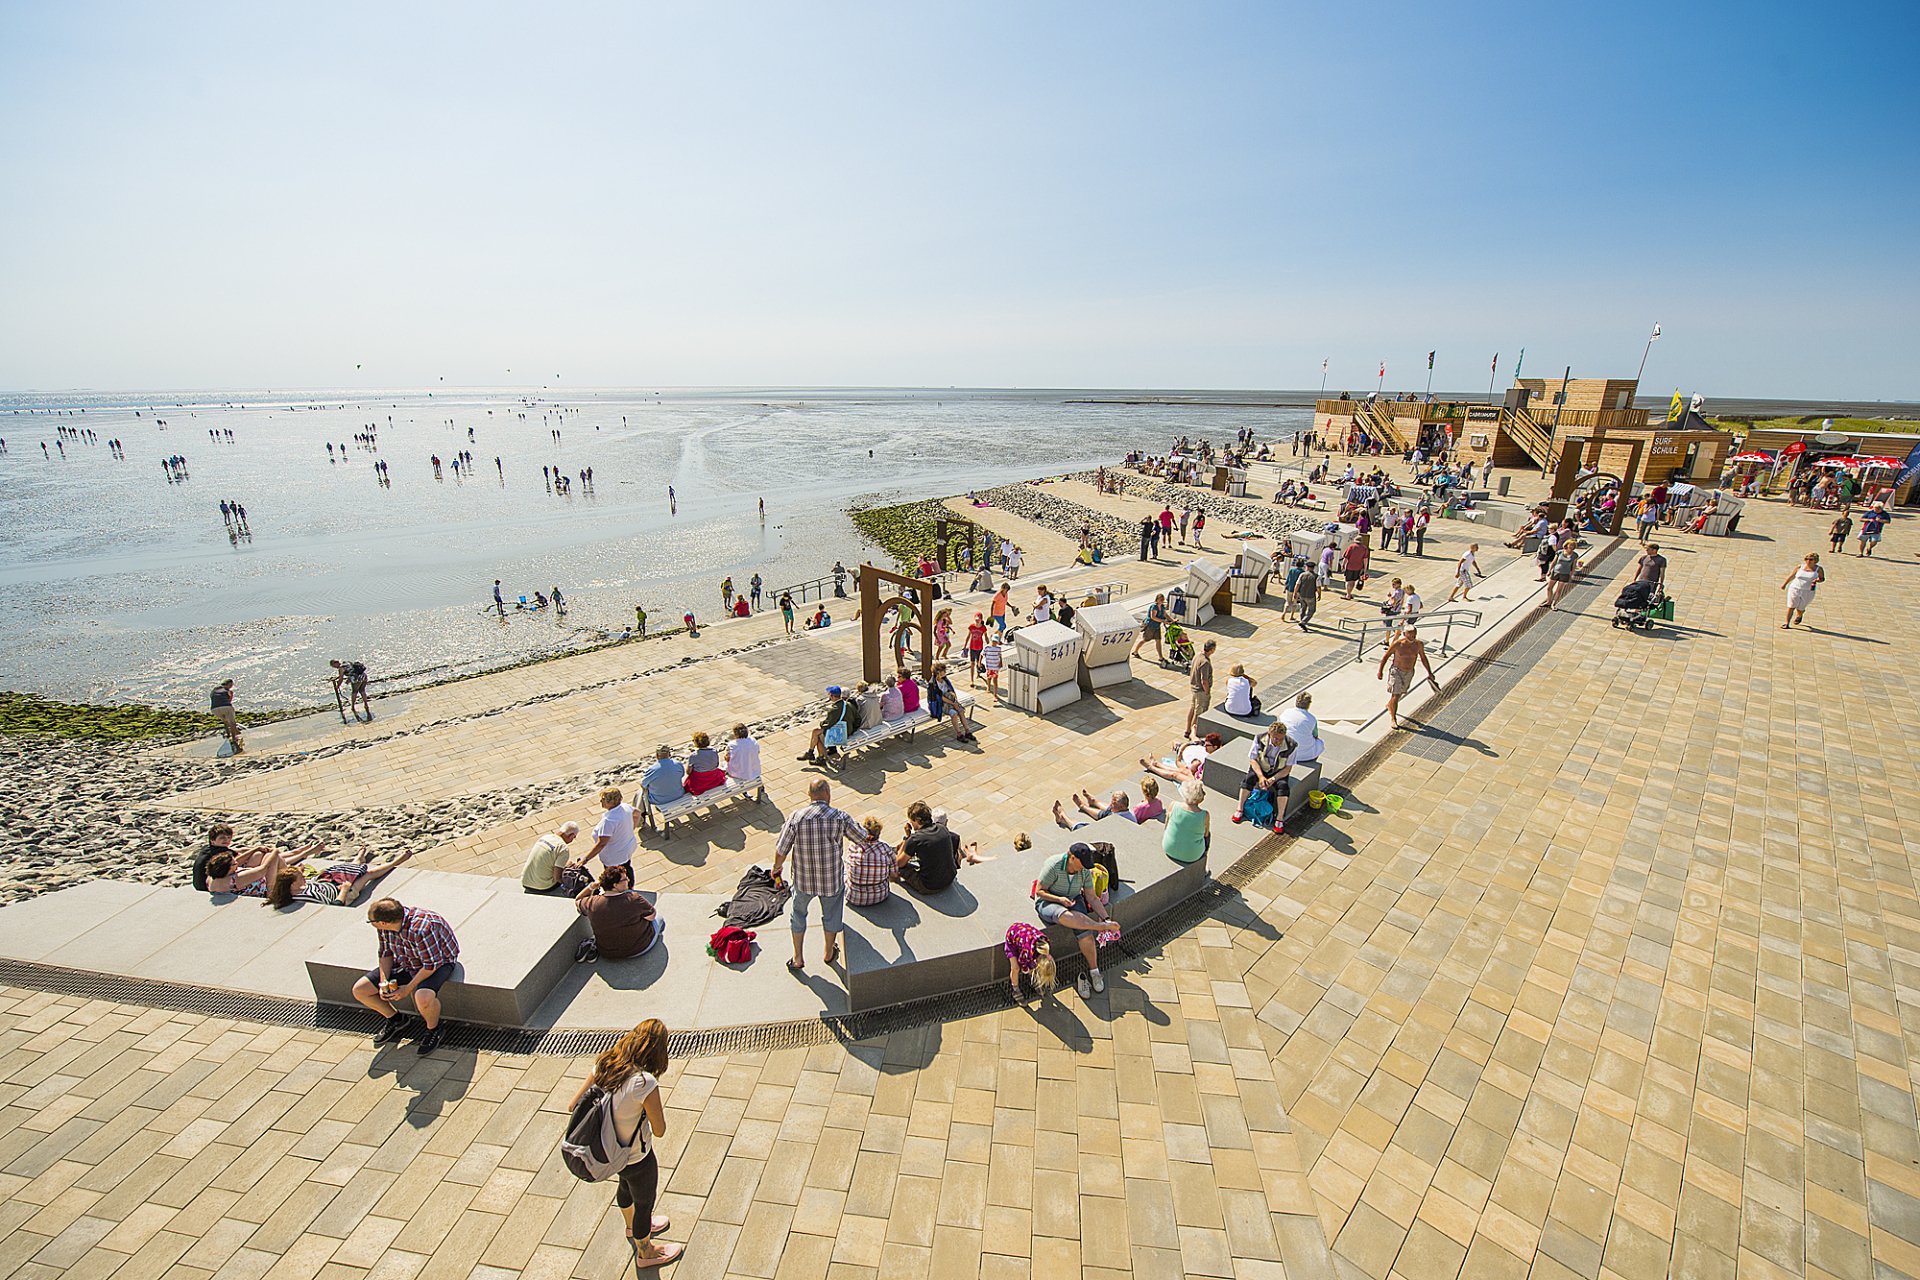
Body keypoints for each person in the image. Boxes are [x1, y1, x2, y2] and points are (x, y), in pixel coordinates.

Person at [571, 1019, 683, 1269]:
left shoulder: (605, 1063)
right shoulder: (644, 1083)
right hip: (637, 1156)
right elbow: (660, 1130)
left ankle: (631, 1227)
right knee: (644, 1203)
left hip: (611, 1153)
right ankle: (646, 1253)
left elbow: (573, 1105)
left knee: (625, 1186)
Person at [772, 778, 862, 973]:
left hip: (803, 880)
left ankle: (798, 957)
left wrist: (776, 868)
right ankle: (828, 953)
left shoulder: (796, 817)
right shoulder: (840, 817)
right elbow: (862, 838)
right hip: (831, 881)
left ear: (809, 795)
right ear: (828, 794)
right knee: (831, 916)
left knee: (798, 915)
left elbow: (781, 849)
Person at [352, 898, 459, 1054]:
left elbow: (431, 965)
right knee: (360, 990)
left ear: (383, 922)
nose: (371, 923)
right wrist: (384, 981)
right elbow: (385, 953)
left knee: (423, 997)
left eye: (371, 921)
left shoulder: (421, 929)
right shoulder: (384, 927)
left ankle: (434, 1029)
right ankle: (396, 1019)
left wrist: (408, 988)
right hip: (406, 960)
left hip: (438, 963)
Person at [1033, 842, 1118, 997]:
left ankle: (1094, 971)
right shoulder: (1054, 865)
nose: (1084, 868)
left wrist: (1105, 918)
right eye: (1082, 864)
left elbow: (1091, 897)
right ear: (1072, 857)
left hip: (1073, 899)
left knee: (1086, 935)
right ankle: (1097, 927)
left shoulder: (1084, 871)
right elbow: (1039, 891)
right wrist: (1059, 899)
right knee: (1065, 916)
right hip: (1049, 902)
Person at [265, 847, 416, 909]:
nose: (303, 877)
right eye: (299, 877)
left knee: (342, 868)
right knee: (366, 875)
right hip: (342, 892)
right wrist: (343, 890)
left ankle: (358, 859)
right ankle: (396, 861)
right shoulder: (307, 897)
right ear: (292, 885)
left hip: (327, 883)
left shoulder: (295, 889)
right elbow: (335, 905)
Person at [576, 864, 661, 960]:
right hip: (639, 948)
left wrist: (591, 886)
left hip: (607, 953)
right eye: (624, 879)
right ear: (615, 885)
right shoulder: (633, 898)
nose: (628, 881)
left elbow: (578, 900)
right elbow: (652, 916)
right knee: (659, 918)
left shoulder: (592, 903)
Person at [1231, 722, 1296, 830]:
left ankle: (1279, 818)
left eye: (1281, 739)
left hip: (1278, 771)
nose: (1278, 741)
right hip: (1260, 767)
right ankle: (1240, 808)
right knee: (1249, 779)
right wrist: (1261, 776)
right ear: (1269, 734)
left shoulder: (1292, 745)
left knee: (1283, 787)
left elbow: (1288, 768)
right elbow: (1253, 759)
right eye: (1275, 738)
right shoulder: (1259, 738)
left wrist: (1273, 779)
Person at [1377, 625, 1440, 730]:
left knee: (1400, 693)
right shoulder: (1398, 644)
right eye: (1410, 634)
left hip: (1409, 672)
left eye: (1414, 634)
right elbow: (1386, 656)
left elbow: (1423, 658)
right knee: (1396, 695)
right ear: (1404, 634)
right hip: (1396, 671)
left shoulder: (1418, 644)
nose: (1412, 637)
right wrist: (1380, 671)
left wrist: (1429, 672)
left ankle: (1390, 705)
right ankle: (1393, 718)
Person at [898, 801, 961, 893]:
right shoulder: (942, 828)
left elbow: (899, 863)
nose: (910, 824)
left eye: (912, 821)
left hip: (929, 886)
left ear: (918, 820)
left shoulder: (916, 838)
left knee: (896, 864)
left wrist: (906, 838)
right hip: (949, 879)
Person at [845, 815, 897, 907]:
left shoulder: (853, 845)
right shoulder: (885, 848)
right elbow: (894, 874)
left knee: (844, 869)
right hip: (880, 895)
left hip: (854, 896)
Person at [588, 785, 641, 873]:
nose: (601, 801)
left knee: (617, 876)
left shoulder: (608, 821)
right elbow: (637, 813)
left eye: (603, 799)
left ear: (610, 802)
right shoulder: (625, 807)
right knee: (627, 868)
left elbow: (601, 843)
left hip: (614, 856)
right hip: (626, 849)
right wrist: (630, 829)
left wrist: (585, 859)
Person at [798, 687, 857, 765]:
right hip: (848, 730)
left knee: (818, 735)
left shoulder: (834, 709)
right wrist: (852, 729)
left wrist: (821, 723)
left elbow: (826, 724)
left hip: (841, 733)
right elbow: (858, 718)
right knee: (816, 731)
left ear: (832, 696)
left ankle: (816, 756)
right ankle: (812, 754)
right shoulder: (848, 704)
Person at [522, 822, 581, 894]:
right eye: (574, 837)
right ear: (571, 835)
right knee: (570, 865)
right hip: (543, 886)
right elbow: (557, 877)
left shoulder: (545, 837)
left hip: (526, 881)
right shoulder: (563, 848)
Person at [1003, 923, 1058, 1001]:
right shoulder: (1027, 953)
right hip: (1012, 936)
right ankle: (1015, 989)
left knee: (1032, 965)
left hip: (1024, 934)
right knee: (1015, 968)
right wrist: (1027, 969)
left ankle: (1036, 981)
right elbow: (1022, 963)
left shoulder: (1045, 947)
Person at [1163, 778, 1210, 864]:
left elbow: (1166, 825)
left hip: (1169, 848)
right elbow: (1205, 834)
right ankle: (1203, 865)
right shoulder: (1204, 815)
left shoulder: (1173, 805)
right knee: (1208, 835)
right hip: (1192, 856)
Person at [927, 662, 976, 741]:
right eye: (944, 671)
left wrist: (955, 701)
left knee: (961, 711)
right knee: (954, 714)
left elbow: (952, 691)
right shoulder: (933, 684)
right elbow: (940, 698)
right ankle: (959, 734)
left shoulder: (945, 680)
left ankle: (967, 731)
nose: (945, 672)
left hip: (950, 700)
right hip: (941, 704)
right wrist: (953, 703)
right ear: (938, 672)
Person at [1781, 552, 1826, 628]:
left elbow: (1822, 579)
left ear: (1815, 560)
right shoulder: (1800, 567)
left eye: (1811, 559)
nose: (1808, 561)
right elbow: (1792, 576)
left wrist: (1817, 580)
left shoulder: (1818, 569)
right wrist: (1785, 584)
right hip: (1795, 588)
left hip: (1808, 591)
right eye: (1806, 559)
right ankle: (1787, 623)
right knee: (1791, 606)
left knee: (1800, 607)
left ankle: (1800, 615)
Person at [1278, 692, 1324, 767]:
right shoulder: (1311, 718)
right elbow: (1315, 736)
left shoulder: (1286, 712)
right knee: (1320, 743)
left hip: (1285, 751)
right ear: (1309, 704)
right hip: (1305, 756)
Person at [1053, 789, 1133, 829]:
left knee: (1081, 827)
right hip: (1112, 819)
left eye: (1113, 804)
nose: (1111, 805)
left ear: (1122, 806)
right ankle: (1091, 803)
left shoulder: (1118, 819)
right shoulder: (1126, 812)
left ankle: (1063, 817)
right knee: (1109, 811)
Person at [1185, 639, 1216, 737]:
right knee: (1199, 713)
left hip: (1194, 688)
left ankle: (1187, 730)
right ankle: (1194, 734)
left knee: (1193, 708)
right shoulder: (1205, 662)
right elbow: (1204, 680)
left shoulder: (1198, 656)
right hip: (1201, 691)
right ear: (1211, 650)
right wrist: (1207, 691)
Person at [1543, 540, 1581, 610]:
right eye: (1571, 545)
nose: (1572, 547)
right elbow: (1554, 562)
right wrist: (1549, 571)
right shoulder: (1560, 552)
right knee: (1549, 587)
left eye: (1573, 546)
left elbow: (1573, 566)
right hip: (1556, 572)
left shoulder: (1575, 555)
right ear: (1567, 545)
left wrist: (1572, 575)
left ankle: (1554, 604)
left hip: (1565, 573)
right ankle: (1548, 601)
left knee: (1559, 590)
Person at [1132, 594, 1168, 662]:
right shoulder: (1154, 606)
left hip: (1157, 626)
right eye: (1161, 599)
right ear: (1157, 599)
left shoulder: (1162, 607)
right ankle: (1135, 651)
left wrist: (1172, 620)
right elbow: (1153, 617)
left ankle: (1160, 657)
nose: (1162, 601)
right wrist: (1163, 621)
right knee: (1145, 640)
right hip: (1151, 626)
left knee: (1158, 640)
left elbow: (1165, 615)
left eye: (1163, 600)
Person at [210, 679, 242, 753]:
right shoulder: (228, 690)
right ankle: (234, 738)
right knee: (232, 723)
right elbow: (229, 700)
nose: (231, 687)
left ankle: (228, 734)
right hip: (226, 706)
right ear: (228, 684)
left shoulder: (214, 690)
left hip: (214, 709)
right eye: (231, 685)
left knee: (225, 721)